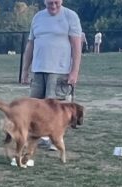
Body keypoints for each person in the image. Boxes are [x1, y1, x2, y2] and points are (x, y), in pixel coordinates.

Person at [18, 0, 82, 166]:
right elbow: (30, 45)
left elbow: (76, 46)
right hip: (38, 70)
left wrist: (74, 71)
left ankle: (56, 139)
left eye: (56, 2)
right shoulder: (38, 17)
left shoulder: (70, 17)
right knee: (34, 109)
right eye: (49, 3)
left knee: (57, 110)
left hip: (60, 71)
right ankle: (32, 140)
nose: (53, 6)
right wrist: (25, 70)